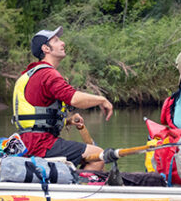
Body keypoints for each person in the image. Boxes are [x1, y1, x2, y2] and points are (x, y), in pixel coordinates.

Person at [12, 27, 114, 172]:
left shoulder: (31, 73)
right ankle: (82, 191)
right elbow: (74, 99)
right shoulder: (47, 74)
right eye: (56, 40)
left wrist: (67, 121)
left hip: (26, 141)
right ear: (46, 48)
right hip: (40, 144)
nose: (63, 43)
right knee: (98, 155)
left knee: (89, 154)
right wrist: (101, 99)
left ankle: (74, 182)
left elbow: (36, 121)